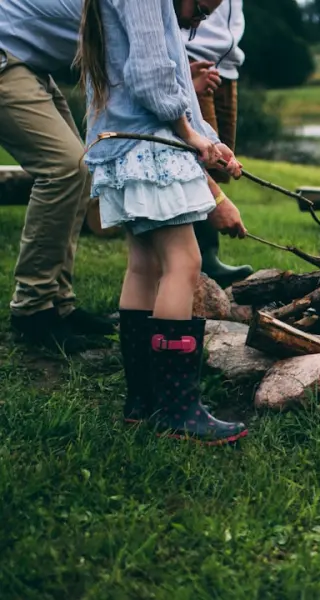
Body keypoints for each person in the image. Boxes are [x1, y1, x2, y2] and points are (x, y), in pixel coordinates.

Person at [77, 0, 249, 445]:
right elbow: (152, 77)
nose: (203, 18)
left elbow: (170, 85)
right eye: (202, 6)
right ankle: (177, 409)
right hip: (147, 146)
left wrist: (212, 144)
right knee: (184, 264)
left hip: (122, 143)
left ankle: (144, 401)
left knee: (144, 267)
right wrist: (194, 139)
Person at [0, 0, 117, 353]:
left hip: (32, 65)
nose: (198, 22)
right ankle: (32, 308)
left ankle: (58, 302)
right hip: (6, 58)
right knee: (65, 167)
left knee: (80, 169)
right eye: (200, 11)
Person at [183, 0, 253, 288]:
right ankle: (197, 256)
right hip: (193, 55)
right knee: (197, 157)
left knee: (219, 164)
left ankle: (204, 255)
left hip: (228, 63)